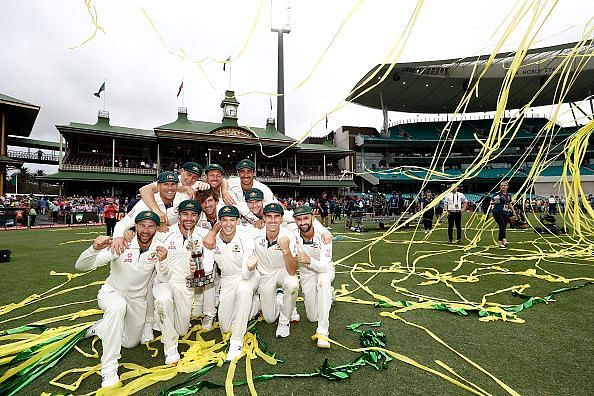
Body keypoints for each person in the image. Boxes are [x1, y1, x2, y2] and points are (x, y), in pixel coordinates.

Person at [75, 211, 170, 389]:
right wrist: (94, 249)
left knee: (130, 343)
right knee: (117, 308)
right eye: (142, 225)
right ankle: (109, 369)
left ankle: (102, 327)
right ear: (136, 226)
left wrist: (163, 261)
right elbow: (81, 266)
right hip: (113, 292)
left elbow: (164, 279)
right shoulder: (123, 244)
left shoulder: (159, 248)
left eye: (150, 226)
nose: (146, 230)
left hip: (137, 300)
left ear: (157, 228)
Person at [152, 200, 211, 365]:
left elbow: (208, 261)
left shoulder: (203, 234)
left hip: (186, 285)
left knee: (182, 330)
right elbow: (143, 235)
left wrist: (200, 270)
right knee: (164, 301)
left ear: (198, 217)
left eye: (193, 215)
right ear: (179, 215)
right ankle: (170, 350)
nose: (189, 218)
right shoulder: (164, 233)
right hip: (165, 280)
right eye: (185, 214)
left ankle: (163, 318)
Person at [204, 205, 259, 361]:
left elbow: (246, 274)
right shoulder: (212, 240)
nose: (228, 224)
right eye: (224, 220)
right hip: (227, 280)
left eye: (232, 220)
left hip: (247, 277)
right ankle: (254, 306)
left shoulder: (245, 238)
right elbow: (208, 268)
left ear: (238, 221)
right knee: (226, 326)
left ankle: (237, 342)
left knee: (243, 290)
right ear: (219, 221)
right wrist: (197, 266)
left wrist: (250, 267)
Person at [251, 203, 299, 338]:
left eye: (276, 217)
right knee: (269, 318)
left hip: (283, 271)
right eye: (269, 217)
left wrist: (286, 249)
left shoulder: (289, 235)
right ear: (263, 218)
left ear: (282, 219)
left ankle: (284, 321)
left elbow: (292, 271)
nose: (272, 220)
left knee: (293, 284)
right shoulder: (255, 234)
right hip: (265, 276)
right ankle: (280, 297)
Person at [292, 205, 334, 349]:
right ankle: (329, 296)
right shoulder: (293, 232)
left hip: (324, 269)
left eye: (306, 218)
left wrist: (309, 260)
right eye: (298, 219)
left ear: (313, 218)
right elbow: (280, 215)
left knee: (323, 282)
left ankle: (323, 332)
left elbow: (323, 266)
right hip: (306, 273)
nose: (302, 222)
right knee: (312, 317)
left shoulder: (325, 237)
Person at [139, 162, 209, 227]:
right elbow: (144, 190)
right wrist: (156, 211)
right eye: (189, 174)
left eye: (194, 177)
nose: (190, 179)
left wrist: (205, 185)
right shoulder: (170, 178)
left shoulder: (198, 185)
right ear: (181, 171)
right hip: (158, 222)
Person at [491, 181, 517, 248]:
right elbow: (491, 202)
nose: (503, 187)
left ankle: (500, 242)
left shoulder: (509, 195)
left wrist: (513, 212)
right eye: (501, 185)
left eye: (504, 185)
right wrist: (495, 201)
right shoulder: (497, 194)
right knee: (502, 224)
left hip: (505, 212)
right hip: (497, 211)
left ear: (507, 187)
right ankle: (504, 239)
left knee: (503, 226)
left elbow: (509, 204)